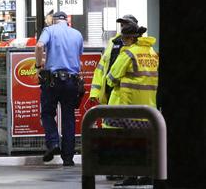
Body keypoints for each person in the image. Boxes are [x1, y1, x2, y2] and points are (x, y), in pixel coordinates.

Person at [104, 23, 158, 187]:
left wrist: (116, 81)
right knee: (145, 142)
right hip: (149, 106)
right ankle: (148, 174)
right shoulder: (152, 52)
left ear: (129, 38)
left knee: (128, 142)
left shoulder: (128, 53)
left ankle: (131, 176)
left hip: (129, 105)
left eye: (124, 38)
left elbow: (111, 77)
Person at [35, 11, 84, 166]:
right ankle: (68, 158)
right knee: (69, 118)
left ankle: (54, 143)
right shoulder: (77, 34)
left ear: (55, 20)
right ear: (66, 21)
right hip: (71, 81)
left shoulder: (49, 30)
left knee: (48, 113)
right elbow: (79, 59)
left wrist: (38, 66)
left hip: (52, 81)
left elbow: (39, 46)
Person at [89, 14, 138, 106]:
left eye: (126, 25)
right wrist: (95, 92)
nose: (123, 27)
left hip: (129, 95)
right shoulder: (113, 42)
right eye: (122, 25)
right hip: (110, 92)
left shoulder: (139, 45)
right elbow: (101, 68)